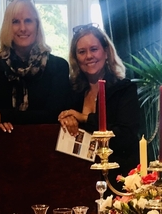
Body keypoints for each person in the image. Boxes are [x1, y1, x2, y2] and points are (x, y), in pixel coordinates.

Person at [0, 0, 74, 134]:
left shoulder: (58, 66)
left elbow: (53, 115)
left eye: (28, 21)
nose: (23, 28)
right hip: (5, 150)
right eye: (15, 22)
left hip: (47, 151)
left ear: (37, 25)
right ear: (7, 27)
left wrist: (3, 116)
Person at [58, 24, 142, 178]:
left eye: (94, 49)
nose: (88, 56)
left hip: (118, 176)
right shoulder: (72, 91)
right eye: (82, 52)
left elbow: (125, 137)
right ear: (76, 58)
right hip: (80, 177)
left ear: (106, 52)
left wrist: (84, 118)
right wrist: (67, 119)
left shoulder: (124, 89)